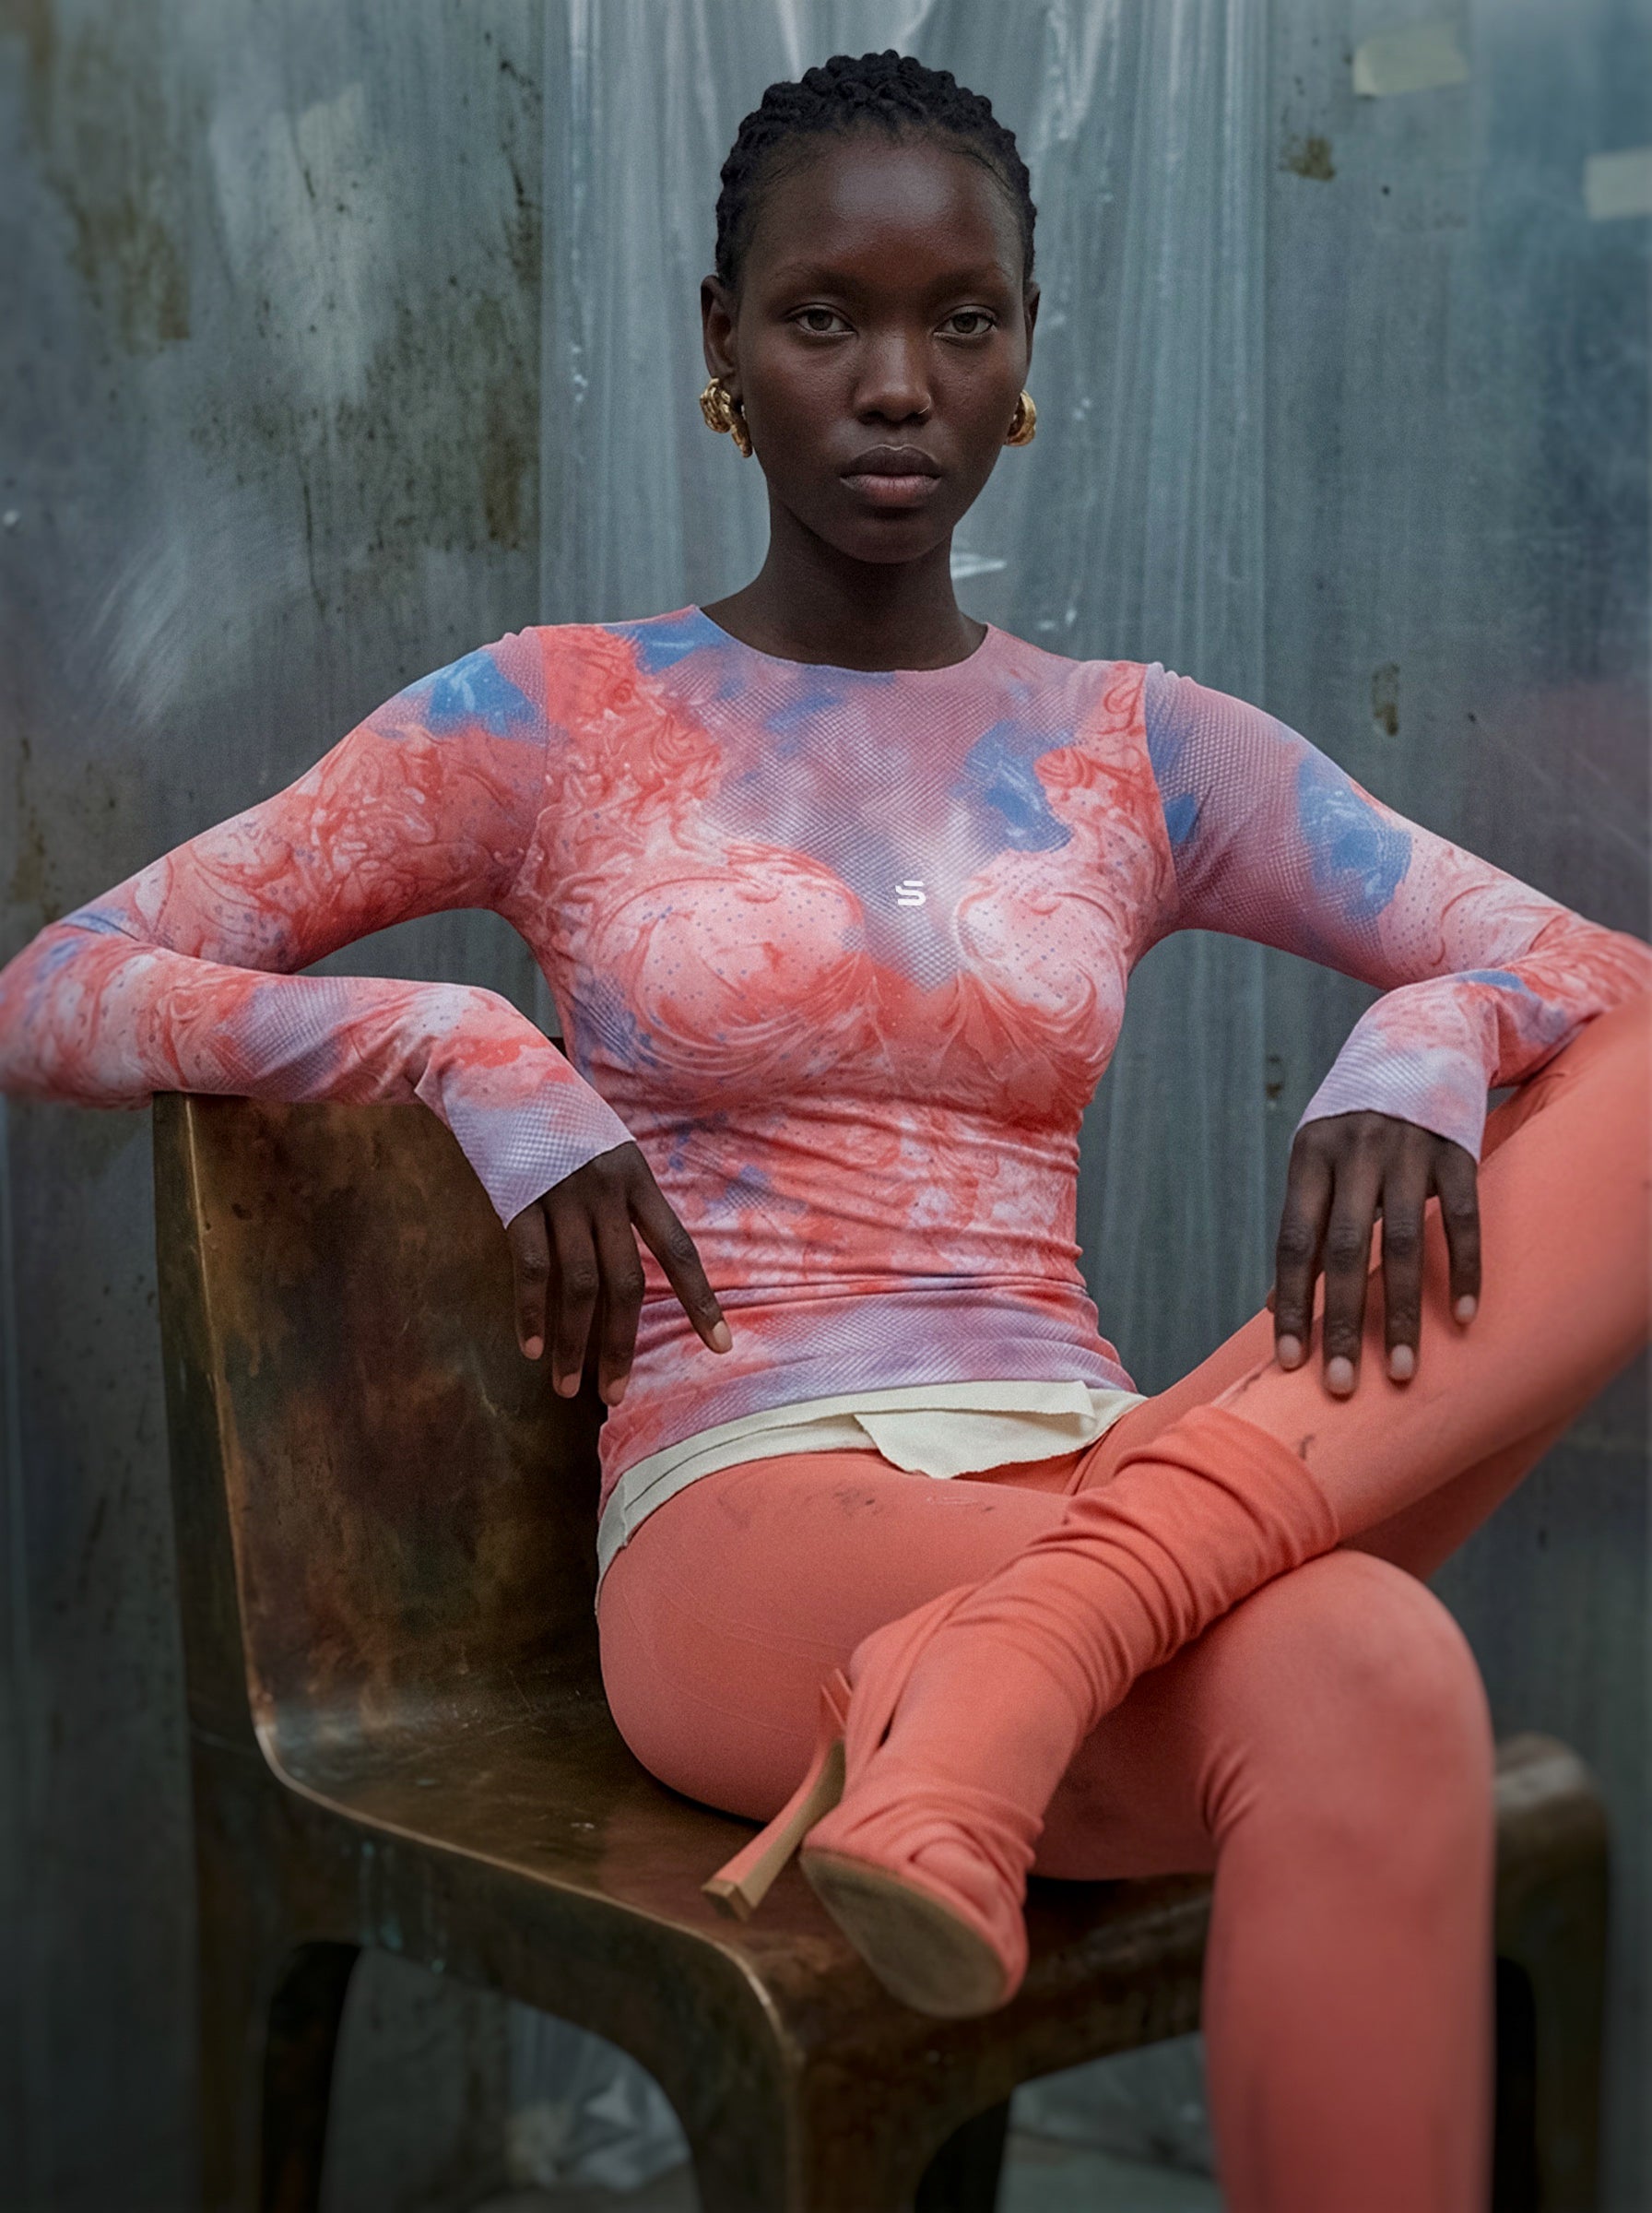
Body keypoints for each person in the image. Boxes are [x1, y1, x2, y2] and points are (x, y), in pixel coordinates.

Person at [2, 47, 1646, 2212]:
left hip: (1104, 1455)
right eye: (821, 319)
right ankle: (1032, 1642)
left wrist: (1423, 1038)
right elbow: (59, 985)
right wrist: (461, 1051)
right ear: (720, 347)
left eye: (956, 322)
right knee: (1355, 1664)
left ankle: (1038, 1643)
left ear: (1023, 356)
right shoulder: (555, 714)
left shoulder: (1134, 746)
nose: (894, 383)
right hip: (755, 1502)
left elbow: (1589, 987)